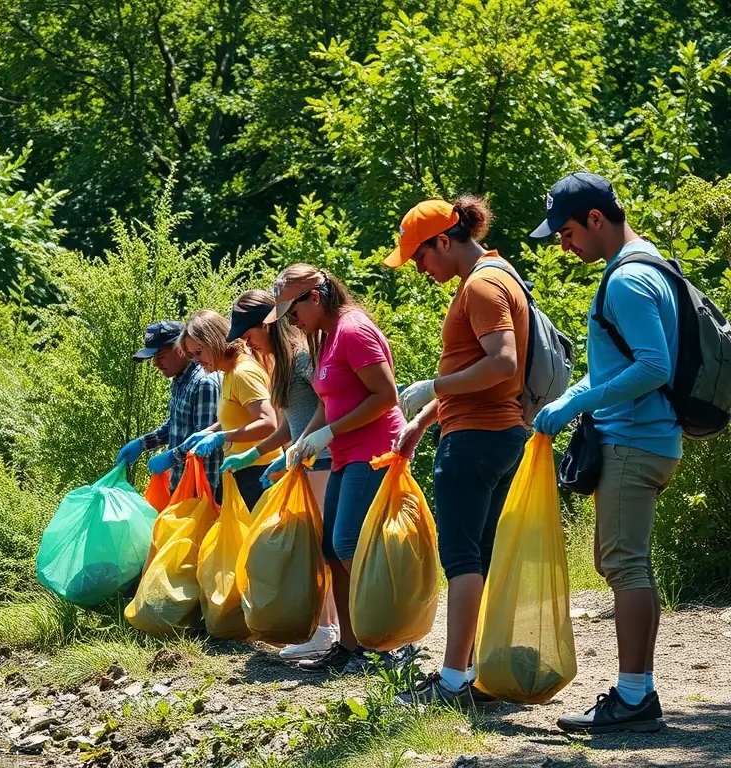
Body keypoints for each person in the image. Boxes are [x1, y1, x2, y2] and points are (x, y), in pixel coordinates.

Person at [531, 172, 680, 734]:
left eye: (567, 233)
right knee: (627, 564)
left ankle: (635, 697)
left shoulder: (626, 280)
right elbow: (624, 359)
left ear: (597, 219)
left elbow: (654, 366)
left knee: (624, 565)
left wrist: (581, 402)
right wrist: (576, 393)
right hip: (650, 439)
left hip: (634, 441)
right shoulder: (652, 263)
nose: (565, 246)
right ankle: (637, 691)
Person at [386, 197, 529, 708]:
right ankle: (477, 672)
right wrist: (424, 420)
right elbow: (485, 366)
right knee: (481, 556)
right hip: (496, 434)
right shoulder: (500, 273)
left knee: (463, 558)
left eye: (421, 256)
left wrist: (432, 385)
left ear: (444, 240)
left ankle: (452, 682)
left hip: (476, 439)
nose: (421, 269)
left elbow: (503, 363)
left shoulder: (483, 285)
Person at [266, 264, 404, 672]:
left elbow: (385, 395)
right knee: (331, 549)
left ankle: (386, 645)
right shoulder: (324, 340)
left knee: (349, 545)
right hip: (345, 451)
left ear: (315, 296)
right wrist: (303, 441)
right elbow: (326, 402)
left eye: (293, 310)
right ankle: (349, 645)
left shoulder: (353, 331)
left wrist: (329, 434)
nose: (290, 320)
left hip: (374, 449)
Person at [219, 290, 340, 660]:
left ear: (267, 325)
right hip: (303, 461)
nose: (244, 339)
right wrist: (258, 453)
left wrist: (299, 448)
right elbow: (288, 423)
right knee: (315, 545)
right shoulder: (279, 363)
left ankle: (327, 631)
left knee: (322, 545)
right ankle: (325, 628)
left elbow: (327, 404)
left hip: (323, 459)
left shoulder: (303, 356)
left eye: (248, 331)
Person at [178, 310, 280, 509]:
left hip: (258, 473)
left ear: (214, 340)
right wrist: (209, 432)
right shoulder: (228, 372)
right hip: (242, 472)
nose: (196, 361)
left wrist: (222, 437)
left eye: (198, 352)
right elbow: (237, 417)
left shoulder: (242, 373)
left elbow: (268, 423)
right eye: (192, 356)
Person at [114, 320, 222, 497]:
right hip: (180, 486)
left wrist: (171, 457)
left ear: (180, 348)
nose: (156, 363)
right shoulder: (179, 381)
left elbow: (204, 440)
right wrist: (142, 444)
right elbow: (175, 425)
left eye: (159, 355)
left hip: (201, 492)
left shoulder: (204, 383)